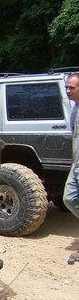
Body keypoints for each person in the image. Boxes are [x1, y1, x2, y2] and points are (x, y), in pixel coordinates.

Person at [63, 72, 79, 218]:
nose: (68, 91)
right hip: (76, 166)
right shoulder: (74, 109)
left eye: (72, 88)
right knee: (69, 198)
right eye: (66, 87)